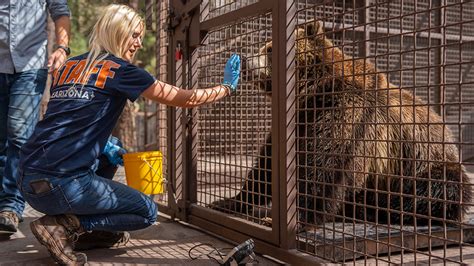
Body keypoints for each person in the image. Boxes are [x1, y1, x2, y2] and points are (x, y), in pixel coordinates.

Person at [18, 3, 241, 265]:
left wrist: (103, 147)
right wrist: (226, 87)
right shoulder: (122, 71)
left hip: (28, 180)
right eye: (134, 35)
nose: (138, 43)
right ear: (117, 32)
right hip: (60, 187)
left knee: (111, 147)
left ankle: (84, 232)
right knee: (146, 211)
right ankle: (65, 224)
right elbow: (184, 98)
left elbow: (66, 122)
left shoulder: (69, 66)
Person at [0, 0, 71, 235]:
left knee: (19, 134)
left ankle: (10, 206)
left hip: (30, 65)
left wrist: (62, 48)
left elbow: (60, 13)